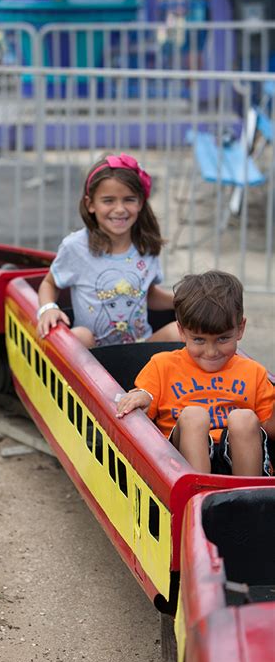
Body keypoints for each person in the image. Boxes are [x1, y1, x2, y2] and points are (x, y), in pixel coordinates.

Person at [116, 270, 275, 476]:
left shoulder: (253, 372)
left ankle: (248, 496)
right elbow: (145, 397)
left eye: (223, 339)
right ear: (181, 331)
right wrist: (140, 396)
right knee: (194, 415)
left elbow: (269, 430)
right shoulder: (162, 365)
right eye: (199, 340)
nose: (211, 352)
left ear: (240, 329)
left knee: (244, 418)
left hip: (237, 459)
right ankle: (198, 493)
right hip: (181, 464)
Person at [36, 153, 179, 348]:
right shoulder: (76, 247)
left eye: (129, 199)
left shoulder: (146, 247)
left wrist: (183, 300)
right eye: (109, 200)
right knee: (80, 335)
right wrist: (48, 308)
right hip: (92, 357)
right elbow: (49, 284)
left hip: (141, 348)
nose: (120, 209)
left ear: (141, 203)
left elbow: (147, 294)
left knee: (179, 330)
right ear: (90, 205)